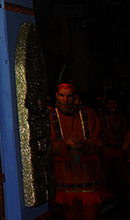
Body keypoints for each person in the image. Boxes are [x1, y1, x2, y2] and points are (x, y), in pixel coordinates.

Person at [49, 82, 107, 220]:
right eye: (62, 96)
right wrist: (66, 145)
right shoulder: (51, 116)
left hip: (88, 174)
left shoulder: (87, 114)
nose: (65, 100)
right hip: (65, 176)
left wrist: (82, 144)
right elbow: (46, 145)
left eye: (69, 96)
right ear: (57, 96)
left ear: (75, 97)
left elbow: (98, 139)